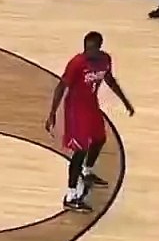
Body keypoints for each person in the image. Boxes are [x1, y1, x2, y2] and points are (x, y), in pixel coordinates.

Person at [44, 32, 134, 213]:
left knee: (100, 139)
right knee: (80, 150)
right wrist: (52, 113)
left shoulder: (105, 60)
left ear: (99, 47)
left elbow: (109, 79)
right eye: (86, 48)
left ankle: (87, 171)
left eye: (91, 48)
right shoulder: (77, 63)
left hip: (91, 104)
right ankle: (70, 196)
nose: (87, 51)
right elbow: (61, 86)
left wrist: (125, 101)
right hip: (75, 109)